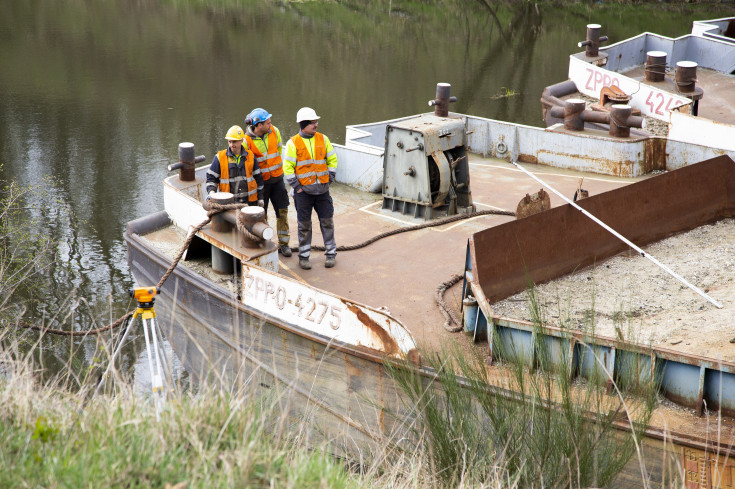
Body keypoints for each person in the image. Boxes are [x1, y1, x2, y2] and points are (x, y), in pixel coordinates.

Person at [282, 107, 337, 270]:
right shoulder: (293, 143)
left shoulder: (323, 139)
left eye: (316, 122)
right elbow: (288, 168)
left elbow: (332, 159)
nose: (316, 125)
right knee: (304, 225)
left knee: (327, 222)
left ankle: (331, 254)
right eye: (313, 122)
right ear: (304, 124)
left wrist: (330, 179)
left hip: (322, 191)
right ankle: (304, 256)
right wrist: (298, 187)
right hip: (303, 193)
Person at [244, 108, 292, 257]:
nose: (271, 125)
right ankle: (262, 242)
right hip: (261, 185)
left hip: (277, 180)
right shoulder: (246, 141)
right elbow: (248, 165)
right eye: (268, 123)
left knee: (282, 212)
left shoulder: (275, 131)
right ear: (258, 125)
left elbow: (277, 150)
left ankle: (284, 244)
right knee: (261, 215)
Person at [205, 125, 263, 207]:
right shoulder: (220, 157)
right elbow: (211, 178)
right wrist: (211, 192)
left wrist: (260, 198)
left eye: (234, 141)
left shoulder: (251, 156)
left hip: (249, 203)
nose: (232, 145)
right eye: (230, 142)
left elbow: (259, 179)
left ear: (241, 140)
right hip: (228, 204)